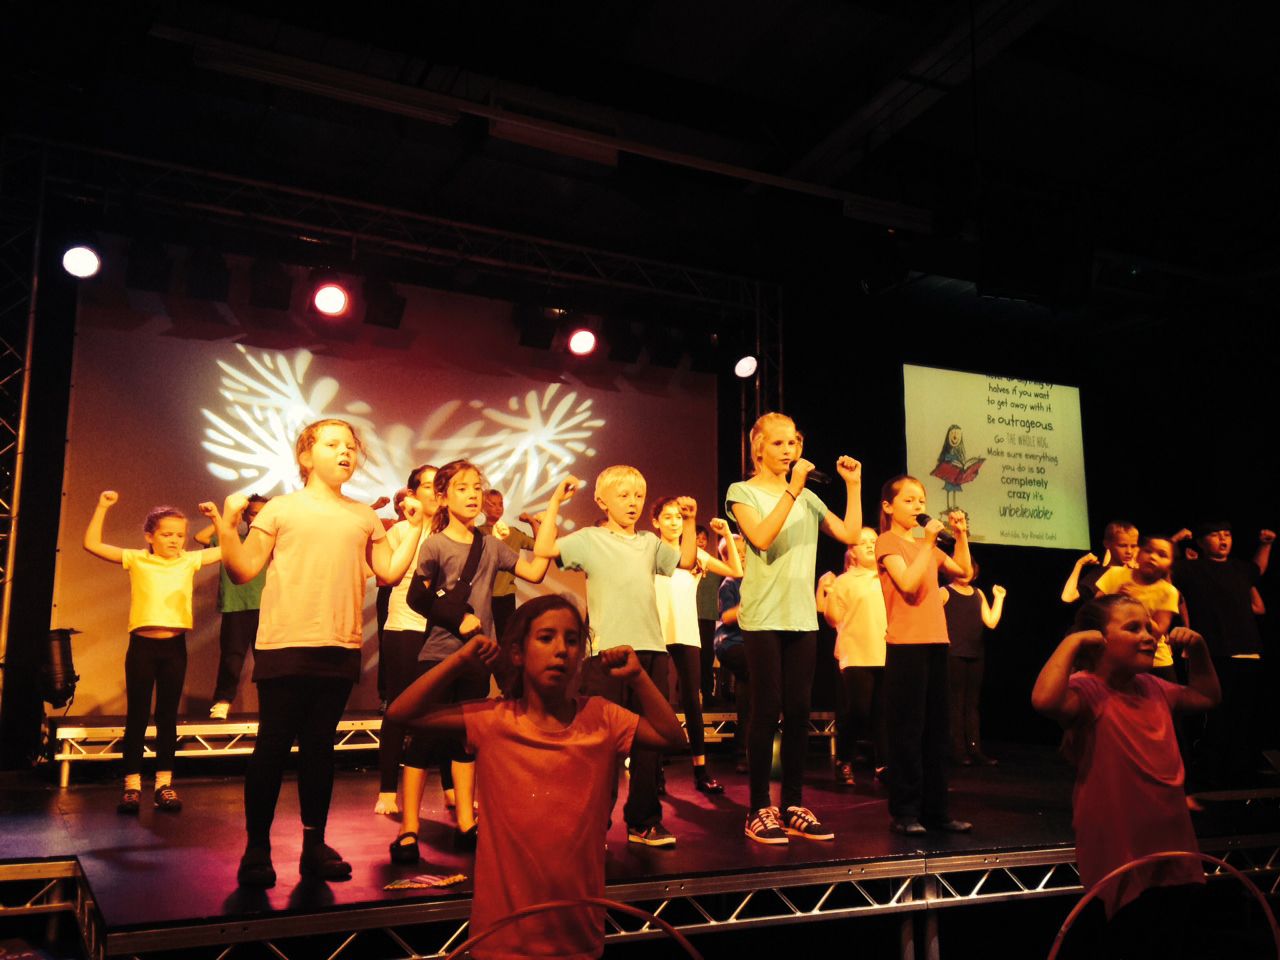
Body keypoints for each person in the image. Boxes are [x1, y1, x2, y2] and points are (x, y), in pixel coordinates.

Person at [386, 595, 686, 960]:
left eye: (572, 640)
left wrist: (638, 677)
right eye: (546, 638)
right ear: (517, 653)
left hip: (577, 937)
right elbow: (401, 712)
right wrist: (460, 660)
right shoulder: (494, 720)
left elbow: (672, 737)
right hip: (502, 939)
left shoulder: (603, 718)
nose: (561, 650)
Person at [211, 418, 425, 887]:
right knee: (271, 746)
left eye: (351, 446)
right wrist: (228, 526)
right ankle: (257, 849)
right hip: (285, 643)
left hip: (339, 644)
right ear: (306, 456)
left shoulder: (363, 516)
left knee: (319, 751)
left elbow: (387, 571)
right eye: (333, 444)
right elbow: (244, 568)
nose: (345, 452)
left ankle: (314, 844)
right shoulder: (281, 510)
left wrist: (415, 528)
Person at [394, 462, 567, 860]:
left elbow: (536, 571)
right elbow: (416, 598)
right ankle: (409, 830)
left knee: (466, 741)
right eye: (462, 488)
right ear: (442, 496)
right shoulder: (434, 545)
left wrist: (552, 509)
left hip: (478, 657)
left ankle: (467, 824)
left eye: (477, 487)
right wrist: (458, 618)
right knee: (422, 739)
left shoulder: (490, 544)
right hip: (438, 654)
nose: (473, 495)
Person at [1031, 596, 1219, 948]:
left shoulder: (1153, 687)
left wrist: (1201, 651)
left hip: (1169, 832)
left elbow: (1207, 697)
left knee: (1174, 931)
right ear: (1097, 639)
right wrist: (1072, 642)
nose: (1149, 635)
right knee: (1131, 934)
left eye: (1149, 626)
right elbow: (1044, 701)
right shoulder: (1089, 690)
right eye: (1133, 628)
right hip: (1122, 839)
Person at [534, 465, 696, 847]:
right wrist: (556, 501)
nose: (633, 503)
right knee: (600, 743)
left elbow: (685, 562)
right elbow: (543, 549)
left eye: (638, 496)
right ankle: (593, 823)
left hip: (651, 651)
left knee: (649, 742)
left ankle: (643, 821)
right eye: (623, 496)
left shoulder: (649, 543)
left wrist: (689, 523)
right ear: (603, 501)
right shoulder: (590, 538)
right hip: (606, 652)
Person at [726, 413, 862, 844]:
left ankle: (793, 804)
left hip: (802, 616)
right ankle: (757, 808)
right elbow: (762, 538)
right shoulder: (742, 492)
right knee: (767, 709)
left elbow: (851, 533)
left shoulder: (808, 500)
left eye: (794, 443)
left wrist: (853, 486)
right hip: (764, 615)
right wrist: (793, 490)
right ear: (759, 448)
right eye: (780, 443)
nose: (789, 451)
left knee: (801, 712)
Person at [83, 491, 222, 813]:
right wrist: (102, 506)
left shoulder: (190, 560)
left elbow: (230, 549)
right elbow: (92, 544)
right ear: (150, 536)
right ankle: (132, 786)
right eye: (167, 534)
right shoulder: (138, 558)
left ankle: (164, 785)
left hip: (174, 648)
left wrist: (216, 518)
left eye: (180, 535)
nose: (175, 540)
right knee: (137, 716)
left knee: (167, 718)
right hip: (143, 647)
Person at [875, 474, 972, 835]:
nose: (918, 506)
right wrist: (928, 543)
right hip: (905, 646)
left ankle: (937, 812)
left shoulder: (927, 546)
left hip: (936, 642)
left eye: (921, 500)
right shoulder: (887, 542)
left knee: (936, 733)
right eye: (909, 500)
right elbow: (909, 584)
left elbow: (963, 571)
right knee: (907, 732)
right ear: (889, 506)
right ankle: (905, 812)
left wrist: (960, 535)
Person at [1171, 521, 1274, 787]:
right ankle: (1209, 769)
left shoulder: (1240, 568)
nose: (1223, 539)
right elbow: (1165, 566)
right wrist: (1176, 540)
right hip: (1213, 651)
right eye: (1215, 535)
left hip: (1249, 651)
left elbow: (1258, 570)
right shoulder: (1192, 568)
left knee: (1245, 714)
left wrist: (1265, 544)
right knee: (1215, 713)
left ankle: (1241, 769)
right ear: (1203, 542)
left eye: (1227, 534)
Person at [650, 499, 742, 793]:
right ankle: (657, 774)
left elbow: (735, 570)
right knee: (658, 702)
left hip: (686, 631)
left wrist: (726, 534)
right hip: (655, 631)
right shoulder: (651, 552)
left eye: (679, 517)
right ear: (656, 522)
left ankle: (701, 770)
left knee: (692, 700)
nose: (675, 522)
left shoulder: (697, 555)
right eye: (668, 517)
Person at [373, 465, 440, 817]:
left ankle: (449, 788)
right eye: (427, 486)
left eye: (438, 485)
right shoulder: (400, 531)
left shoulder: (456, 533)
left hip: (443, 630)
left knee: (443, 711)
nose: (434, 492)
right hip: (405, 626)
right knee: (399, 709)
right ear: (413, 493)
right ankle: (387, 789)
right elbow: (384, 576)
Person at [816, 527, 888, 786]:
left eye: (873, 541)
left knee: (883, 713)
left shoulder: (888, 577)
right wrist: (828, 591)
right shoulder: (844, 581)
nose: (870, 545)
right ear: (853, 552)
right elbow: (832, 618)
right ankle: (844, 758)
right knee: (858, 710)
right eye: (863, 542)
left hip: (885, 652)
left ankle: (883, 765)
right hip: (855, 654)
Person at [194, 494, 270, 720]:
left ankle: (271, 704)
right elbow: (200, 536)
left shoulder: (273, 543)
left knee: (267, 660)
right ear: (246, 515)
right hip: (235, 607)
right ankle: (223, 701)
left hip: (267, 608)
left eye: (263, 513)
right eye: (254, 513)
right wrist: (230, 517)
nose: (258, 518)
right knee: (232, 657)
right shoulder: (233, 539)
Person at [941, 562, 1006, 765]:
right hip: (953, 654)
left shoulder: (978, 593)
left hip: (975, 653)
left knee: (972, 704)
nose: (965, 571)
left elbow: (991, 621)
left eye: (969, 567)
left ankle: (974, 749)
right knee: (956, 703)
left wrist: (999, 598)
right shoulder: (943, 592)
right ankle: (957, 751)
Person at [1093, 535, 1179, 682]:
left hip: (1153, 660)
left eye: (1162, 554)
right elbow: (1094, 610)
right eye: (1148, 551)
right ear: (1138, 555)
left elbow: (1157, 633)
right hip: (1113, 656)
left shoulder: (1168, 591)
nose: (1152, 557)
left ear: (1170, 564)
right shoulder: (1115, 574)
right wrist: (1115, 599)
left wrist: (1135, 604)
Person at [480, 488, 537, 642]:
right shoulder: (477, 533)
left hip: (505, 596)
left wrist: (532, 522)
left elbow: (539, 546)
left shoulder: (513, 533)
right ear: (482, 507)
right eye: (492, 504)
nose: (498, 508)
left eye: (500, 504)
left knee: (505, 639)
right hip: (483, 595)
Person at [714, 535, 751, 773]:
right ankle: (743, 751)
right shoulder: (729, 584)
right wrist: (751, 602)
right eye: (738, 553)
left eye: (746, 552)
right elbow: (727, 616)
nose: (744, 556)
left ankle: (744, 752)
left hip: (749, 645)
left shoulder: (755, 580)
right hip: (730, 643)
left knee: (749, 695)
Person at [1060, 521, 1139, 605]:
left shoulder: (1137, 573)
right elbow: (1068, 597)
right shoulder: (1100, 574)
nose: (1129, 551)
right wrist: (1079, 564)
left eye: (1133, 546)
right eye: (1122, 546)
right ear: (1107, 544)